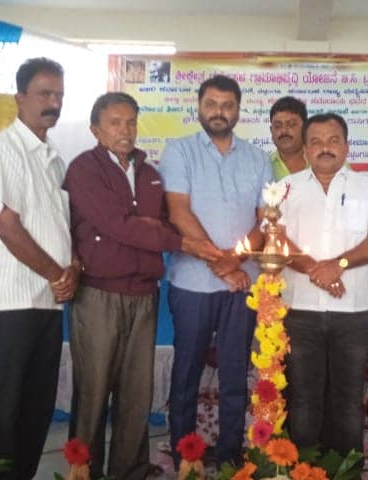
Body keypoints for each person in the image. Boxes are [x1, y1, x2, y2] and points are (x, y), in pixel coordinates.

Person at [63, 92, 221, 480]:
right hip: (98, 294)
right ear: (96, 130)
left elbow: (161, 223)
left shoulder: (150, 174)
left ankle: (130, 469)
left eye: (131, 122)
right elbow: (118, 225)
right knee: (94, 388)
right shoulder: (84, 169)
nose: (125, 130)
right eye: (115, 123)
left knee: (137, 390)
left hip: (144, 293)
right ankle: (83, 469)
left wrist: (151, 230)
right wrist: (173, 240)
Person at [0, 57, 78, 479]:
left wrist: (71, 268)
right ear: (19, 98)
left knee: (36, 408)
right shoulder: (4, 152)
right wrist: (57, 274)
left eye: (59, 95)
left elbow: (59, 228)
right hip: (11, 301)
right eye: (44, 94)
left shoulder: (53, 158)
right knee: (3, 410)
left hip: (47, 302)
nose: (53, 103)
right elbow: (8, 226)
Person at [160, 74, 271, 466]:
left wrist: (234, 261)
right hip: (192, 284)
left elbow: (265, 220)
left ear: (238, 110)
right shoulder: (179, 152)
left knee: (235, 375)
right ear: (199, 106)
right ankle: (184, 459)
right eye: (211, 104)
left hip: (241, 285)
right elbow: (178, 213)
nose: (218, 112)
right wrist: (223, 266)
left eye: (227, 105)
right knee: (186, 374)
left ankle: (229, 459)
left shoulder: (258, 159)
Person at [278, 113, 368, 455]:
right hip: (300, 310)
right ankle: (303, 472)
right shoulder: (285, 189)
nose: (325, 148)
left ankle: (345, 471)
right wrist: (318, 271)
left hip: (352, 312)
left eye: (333, 140)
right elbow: (277, 240)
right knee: (302, 397)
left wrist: (337, 266)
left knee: (347, 399)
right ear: (305, 149)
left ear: (346, 146)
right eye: (316, 141)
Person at [269, 96, 308, 180]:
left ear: (305, 128)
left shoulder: (323, 162)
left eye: (291, 124)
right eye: (278, 126)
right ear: (271, 131)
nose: (284, 131)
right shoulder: (263, 166)